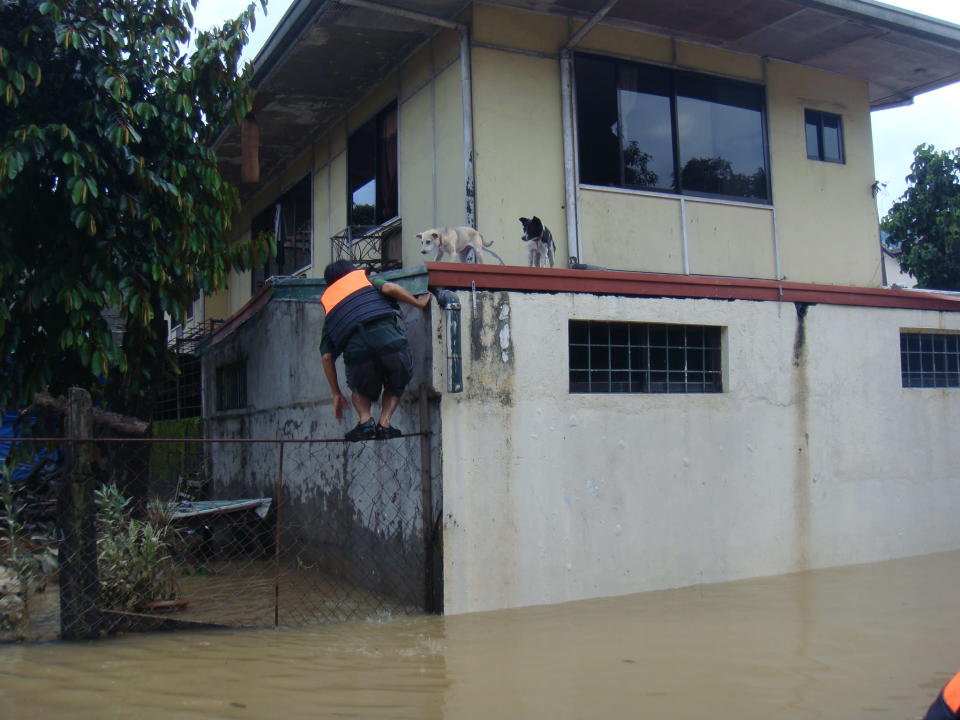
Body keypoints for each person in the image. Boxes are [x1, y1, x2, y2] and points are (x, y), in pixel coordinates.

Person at [319, 260, 431, 441]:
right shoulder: (367, 281)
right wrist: (418, 303)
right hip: (392, 344)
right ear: (352, 272)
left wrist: (336, 393)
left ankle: (365, 420)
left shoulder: (332, 309)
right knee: (396, 383)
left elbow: (326, 356)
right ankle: (385, 423)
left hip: (359, 354)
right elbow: (389, 288)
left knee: (359, 390)